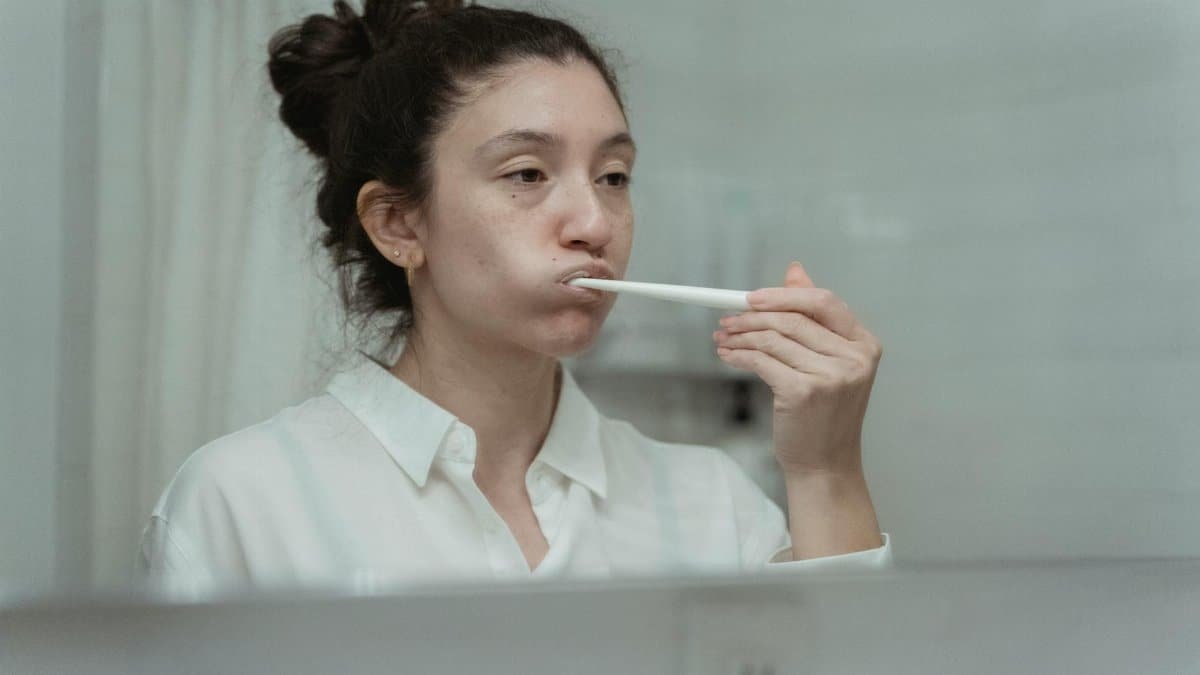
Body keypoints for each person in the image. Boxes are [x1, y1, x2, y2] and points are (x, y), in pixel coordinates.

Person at [138, 0, 892, 596]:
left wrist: (825, 469)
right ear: (399, 224)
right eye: (528, 174)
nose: (595, 222)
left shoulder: (712, 505)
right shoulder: (243, 503)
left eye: (614, 176)